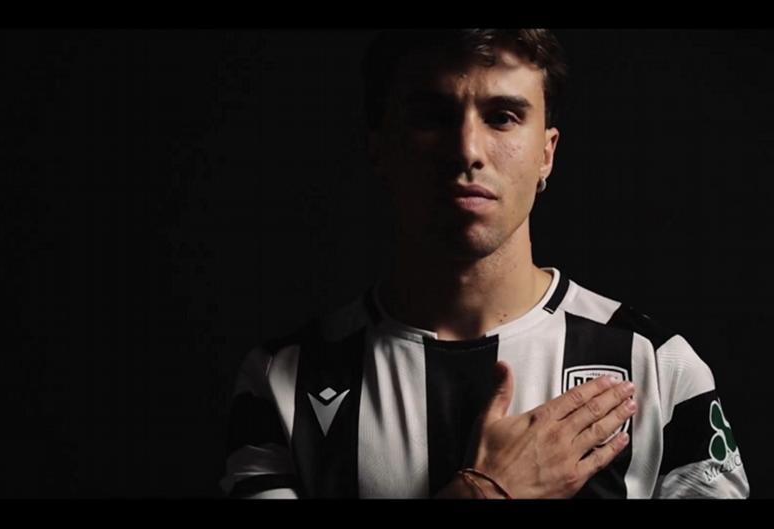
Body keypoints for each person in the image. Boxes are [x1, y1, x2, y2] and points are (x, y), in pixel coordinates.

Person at [219, 29, 750, 499]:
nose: (467, 149)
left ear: (546, 153)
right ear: (378, 148)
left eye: (502, 117)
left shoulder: (658, 368)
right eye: (433, 117)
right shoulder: (282, 380)